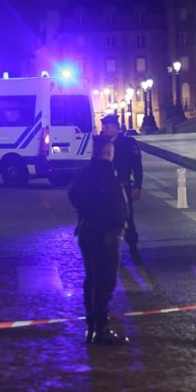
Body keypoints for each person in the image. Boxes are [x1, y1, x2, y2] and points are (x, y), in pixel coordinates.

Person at [69, 134, 129, 345]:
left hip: (86, 230)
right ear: (108, 153)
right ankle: (101, 328)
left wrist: (86, 211)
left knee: (91, 278)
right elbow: (118, 207)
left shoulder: (83, 174)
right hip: (106, 235)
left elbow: (73, 195)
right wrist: (120, 223)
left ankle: (92, 325)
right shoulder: (110, 177)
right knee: (106, 281)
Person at [101, 114, 144, 265]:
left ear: (115, 127)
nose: (105, 129)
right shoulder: (101, 144)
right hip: (106, 189)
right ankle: (112, 252)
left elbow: (137, 167)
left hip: (123, 186)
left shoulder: (127, 143)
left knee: (127, 218)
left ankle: (133, 249)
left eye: (107, 127)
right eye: (104, 127)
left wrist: (138, 186)